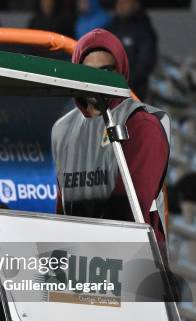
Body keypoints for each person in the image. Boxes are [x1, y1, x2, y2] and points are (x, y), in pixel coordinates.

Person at [51, 28, 170, 245]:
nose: (97, 79)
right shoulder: (62, 129)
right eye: (89, 71)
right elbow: (63, 208)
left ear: (121, 72)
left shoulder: (141, 124)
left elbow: (127, 212)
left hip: (134, 264)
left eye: (106, 71)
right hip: (79, 264)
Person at [107, 0, 157, 100]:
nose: (121, 5)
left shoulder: (144, 29)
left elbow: (144, 63)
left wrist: (124, 82)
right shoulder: (111, 27)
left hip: (134, 91)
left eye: (125, 2)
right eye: (119, 2)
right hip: (109, 89)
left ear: (136, 5)